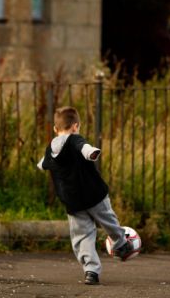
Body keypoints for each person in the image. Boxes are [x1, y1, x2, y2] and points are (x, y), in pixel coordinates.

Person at [37, 106, 134, 285]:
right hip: (94, 195)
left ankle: (91, 271)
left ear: (55, 129)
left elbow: (43, 164)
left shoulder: (50, 148)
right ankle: (121, 244)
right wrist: (92, 152)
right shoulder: (75, 139)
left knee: (83, 236)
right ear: (75, 126)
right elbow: (85, 148)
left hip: (73, 201)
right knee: (108, 220)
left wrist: (42, 165)